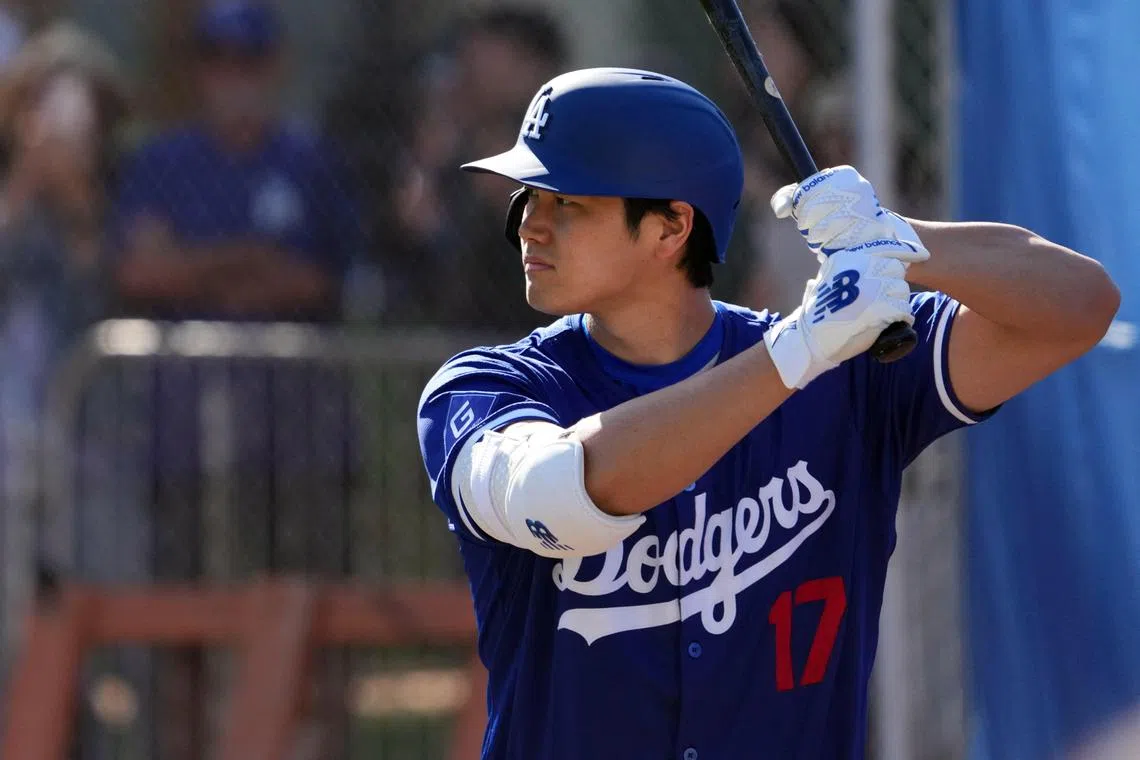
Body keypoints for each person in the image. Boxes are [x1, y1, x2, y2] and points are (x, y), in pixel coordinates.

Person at [415, 68, 1119, 759]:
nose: (528, 225)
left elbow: (1081, 306)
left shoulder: (839, 367)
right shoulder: (488, 387)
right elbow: (556, 494)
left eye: (567, 202)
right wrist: (797, 350)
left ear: (670, 229)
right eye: (528, 197)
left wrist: (899, 241)